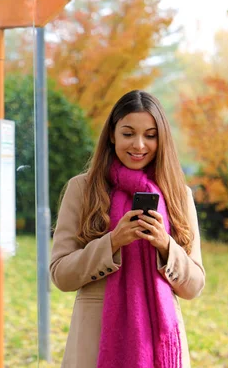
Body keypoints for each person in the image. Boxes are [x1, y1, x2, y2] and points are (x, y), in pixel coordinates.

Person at [50, 90, 205, 368]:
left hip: (160, 344)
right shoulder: (82, 189)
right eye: (128, 133)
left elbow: (194, 286)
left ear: (161, 139)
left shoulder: (178, 195)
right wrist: (111, 242)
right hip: (94, 346)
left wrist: (166, 245)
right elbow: (61, 275)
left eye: (150, 135)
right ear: (112, 134)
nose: (139, 144)